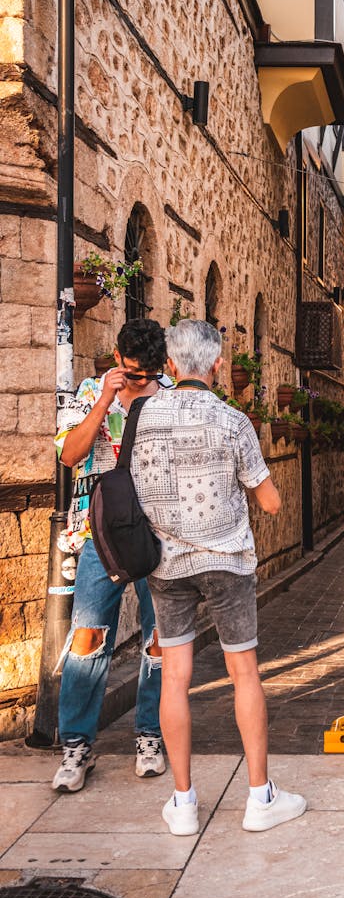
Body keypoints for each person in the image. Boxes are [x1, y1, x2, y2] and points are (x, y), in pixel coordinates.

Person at [130, 319, 306, 837]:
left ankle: (183, 804)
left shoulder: (141, 417)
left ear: (168, 366)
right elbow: (271, 503)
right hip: (227, 563)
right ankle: (260, 798)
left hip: (165, 564)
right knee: (244, 674)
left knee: (175, 677)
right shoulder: (233, 422)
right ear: (216, 365)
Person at [52, 319, 169, 793]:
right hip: (100, 534)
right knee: (87, 637)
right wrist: (104, 400)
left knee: (160, 641)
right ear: (118, 360)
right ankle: (77, 747)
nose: (139, 382)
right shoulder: (87, 392)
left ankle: (150, 736)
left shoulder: (170, 400)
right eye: (132, 373)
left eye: (147, 375)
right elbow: (68, 454)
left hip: (156, 534)